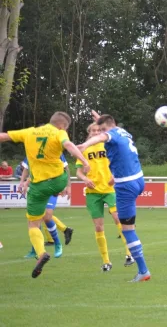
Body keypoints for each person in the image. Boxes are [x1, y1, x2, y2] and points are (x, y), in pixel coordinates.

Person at [0, 111, 90, 278]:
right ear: (63, 126)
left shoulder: (29, 132)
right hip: (58, 180)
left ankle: (41, 253)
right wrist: (84, 161)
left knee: (33, 224)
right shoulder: (59, 132)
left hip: (38, 186)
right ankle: (60, 235)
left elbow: (4, 136)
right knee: (46, 214)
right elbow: (69, 145)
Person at [77, 111, 150, 282]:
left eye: (100, 129)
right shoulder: (123, 132)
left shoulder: (108, 135)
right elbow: (109, 128)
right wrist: (99, 120)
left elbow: (101, 137)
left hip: (125, 186)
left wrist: (85, 144)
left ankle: (143, 271)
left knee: (127, 230)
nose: (99, 133)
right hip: (139, 180)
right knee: (126, 225)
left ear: (104, 129)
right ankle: (140, 267)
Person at [76, 122, 135, 271]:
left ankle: (129, 254)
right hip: (93, 192)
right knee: (98, 226)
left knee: (118, 218)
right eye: (93, 130)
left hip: (110, 189)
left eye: (98, 130)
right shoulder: (84, 148)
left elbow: (119, 162)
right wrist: (85, 179)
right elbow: (78, 172)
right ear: (89, 132)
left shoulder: (108, 145)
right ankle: (106, 261)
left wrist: (114, 176)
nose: (96, 132)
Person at [21, 155, 74, 259]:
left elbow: (66, 168)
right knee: (33, 220)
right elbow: (27, 169)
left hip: (52, 187)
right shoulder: (31, 148)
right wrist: (22, 182)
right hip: (36, 188)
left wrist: (68, 186)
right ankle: (36, 250)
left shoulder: (54, 148)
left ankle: (58, 244)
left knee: (47, 215)